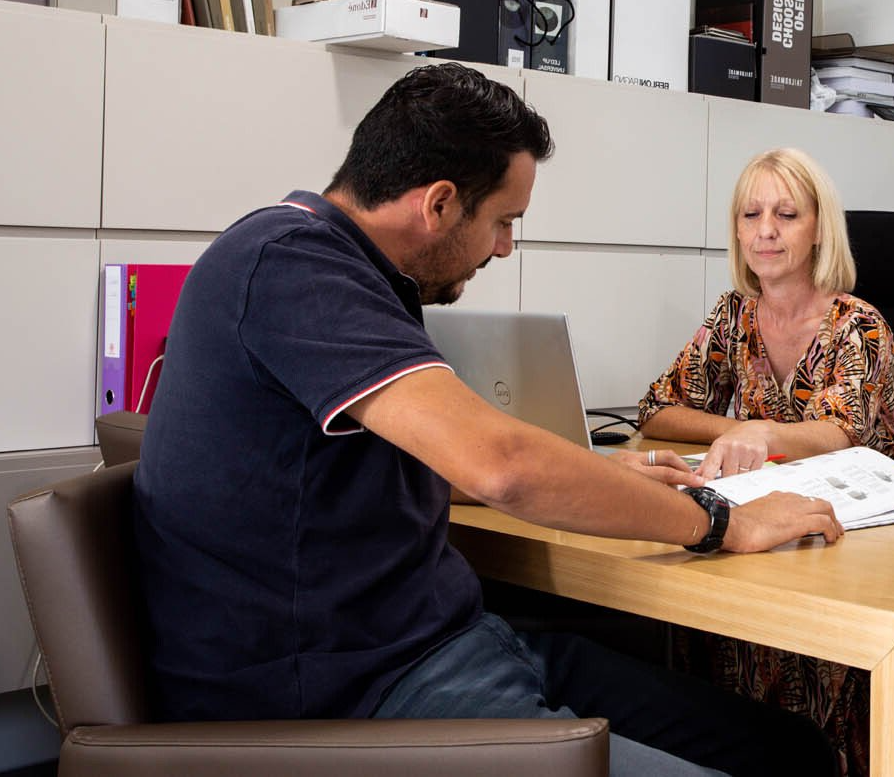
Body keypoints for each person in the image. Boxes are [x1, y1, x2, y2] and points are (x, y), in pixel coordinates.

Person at [131, 63, 842, 777]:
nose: (504, 247)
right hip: (346, 698)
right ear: (438, 204)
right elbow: (500, 465)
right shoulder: (290, 265)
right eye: (503, 221)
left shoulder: (354, 274)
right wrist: (725, 521)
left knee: (792, 749)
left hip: (444, 646)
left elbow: (413, 468)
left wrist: (593, 473)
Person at [637, 147, 894, 777]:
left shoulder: (858, 326)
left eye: (786, 214)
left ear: (819, 228)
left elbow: (843, 433)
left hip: (856, 546)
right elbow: (655, 410)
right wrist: (738, 428)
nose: (765, 231)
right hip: (769, 536)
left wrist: (762, 431)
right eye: (750, 213)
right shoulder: (733, 315)